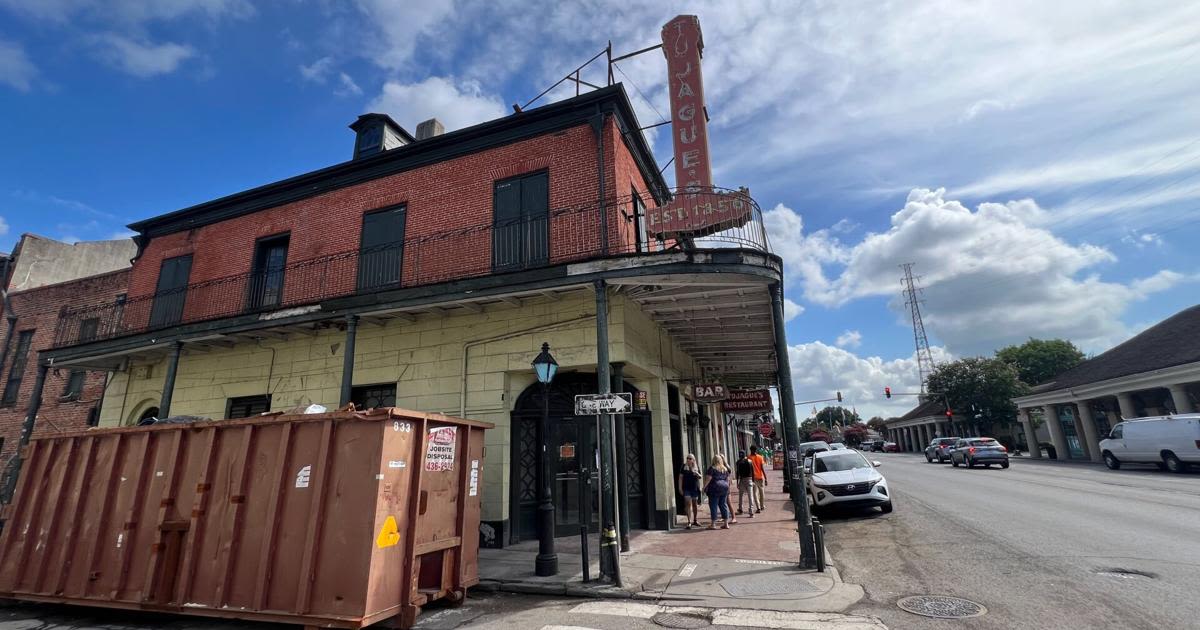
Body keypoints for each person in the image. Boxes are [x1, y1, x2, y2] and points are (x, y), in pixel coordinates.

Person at [702, 454, 731, 529]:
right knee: (723, 505)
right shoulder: (724, 469)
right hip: (724, 488)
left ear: (713, 460)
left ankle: (713, 524)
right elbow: (728, 480)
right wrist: (727, 488)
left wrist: (704, 487)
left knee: (713, 505)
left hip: (714, 488)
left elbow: (708, 479)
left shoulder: (712, 468)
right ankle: (726, 524)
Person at [677, 453, 703, 529]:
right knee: (688, 503)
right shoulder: (683, 467)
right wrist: (680, 488)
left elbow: (700, 477)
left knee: (695, 504)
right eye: (687, 458)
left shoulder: (696, 467)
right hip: (686, 488)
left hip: (695, 488)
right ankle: (689, 522)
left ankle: (695, 520)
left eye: (690, 458)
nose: (688, 460)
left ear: (693, 460)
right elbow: (680, 478)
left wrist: (697, 473)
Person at [735, 450, 757, 517]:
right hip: (749, 479)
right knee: (750, 496)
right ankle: (751, 511)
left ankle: (740, 509)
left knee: (740, 496)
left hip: (742, 480)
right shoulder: (749, 461)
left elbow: (737, 474)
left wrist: (737, 482)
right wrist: (753, 481)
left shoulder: (738, 462)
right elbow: (753, 472)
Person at [748, 447, 768, 513]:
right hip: (760, 477)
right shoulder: (760, 457)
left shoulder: (748, 458)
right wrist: (766, 478)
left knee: (755, 493)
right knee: (761, 492)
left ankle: (758, 507)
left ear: (750, 450)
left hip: (753, 478)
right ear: (756, 450)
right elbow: (762, 468)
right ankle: (762, 506)